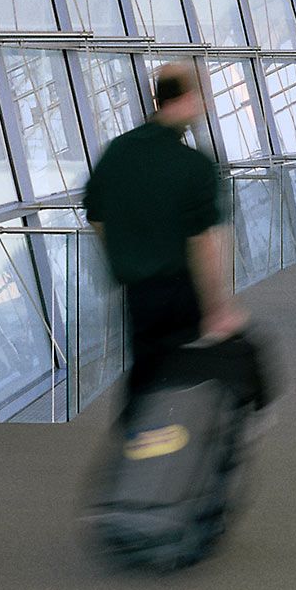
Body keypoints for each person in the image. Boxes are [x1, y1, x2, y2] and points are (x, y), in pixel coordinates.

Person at [84, 65, 258, 408]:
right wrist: (217, 306)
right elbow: (202, 243)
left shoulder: (118, 152)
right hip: (182, 291)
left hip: (137, 293)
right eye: (201, 98)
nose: (204, 107)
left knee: (147, 375)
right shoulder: (193, 165)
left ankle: (136, 444)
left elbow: (97, 215)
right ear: (188, 98)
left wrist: (124, 257)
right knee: (222, 367)